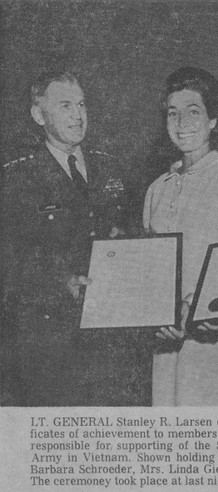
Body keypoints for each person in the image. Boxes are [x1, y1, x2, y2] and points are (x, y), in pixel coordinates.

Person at [1, 70, 149, 406]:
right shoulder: (15, 179)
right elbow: (7, 267)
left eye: (81, 104)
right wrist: (60, 281)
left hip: (112, 346)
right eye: (65, 105)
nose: (78, 114)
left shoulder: (113, 169)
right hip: (51, 349)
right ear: (39, 115)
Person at [143, 67, 218, 406]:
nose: (182, 122)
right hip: (165, 342)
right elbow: (149, 270)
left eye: (194, 111)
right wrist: (151, 313)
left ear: (213, 120)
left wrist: (189, 311)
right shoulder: (156, 188)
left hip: (211, 341)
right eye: (172, 113)